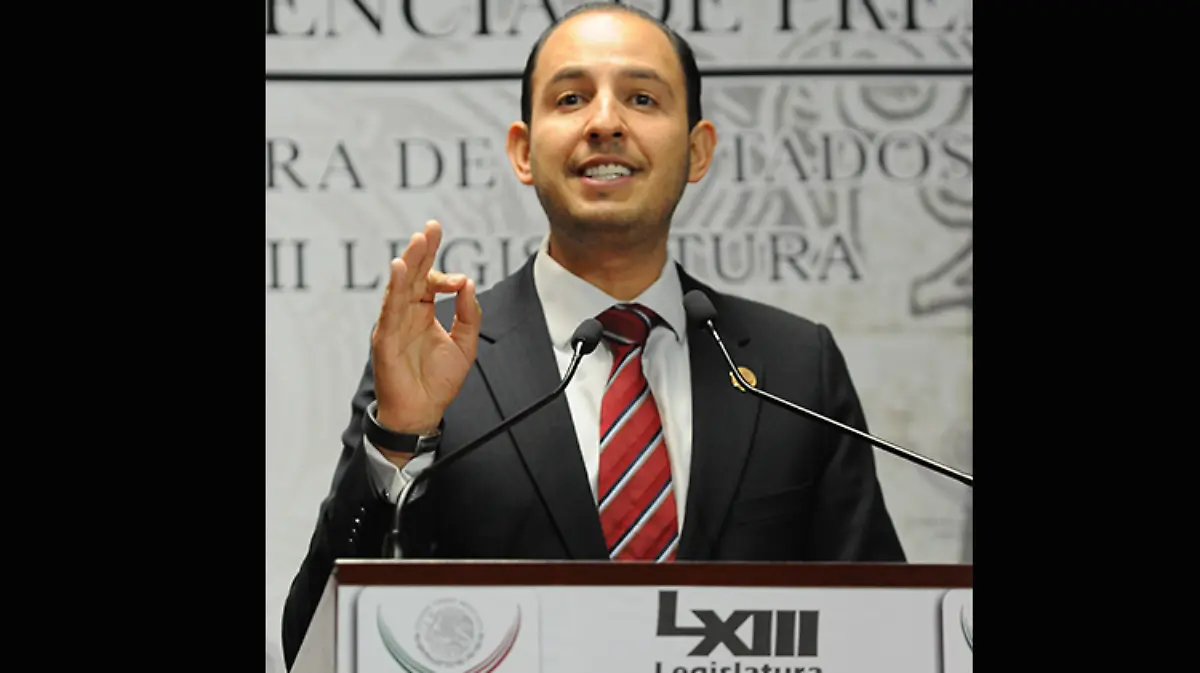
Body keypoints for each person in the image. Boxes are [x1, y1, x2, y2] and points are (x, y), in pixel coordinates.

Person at [280, 3, 905, 669]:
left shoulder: (796, 366)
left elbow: (885, 632)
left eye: (642, 98)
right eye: (572, 98)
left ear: (697, 151)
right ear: (523, 151)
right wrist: (399, 442)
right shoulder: (435, 361)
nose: (605, 123)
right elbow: (317, 644)